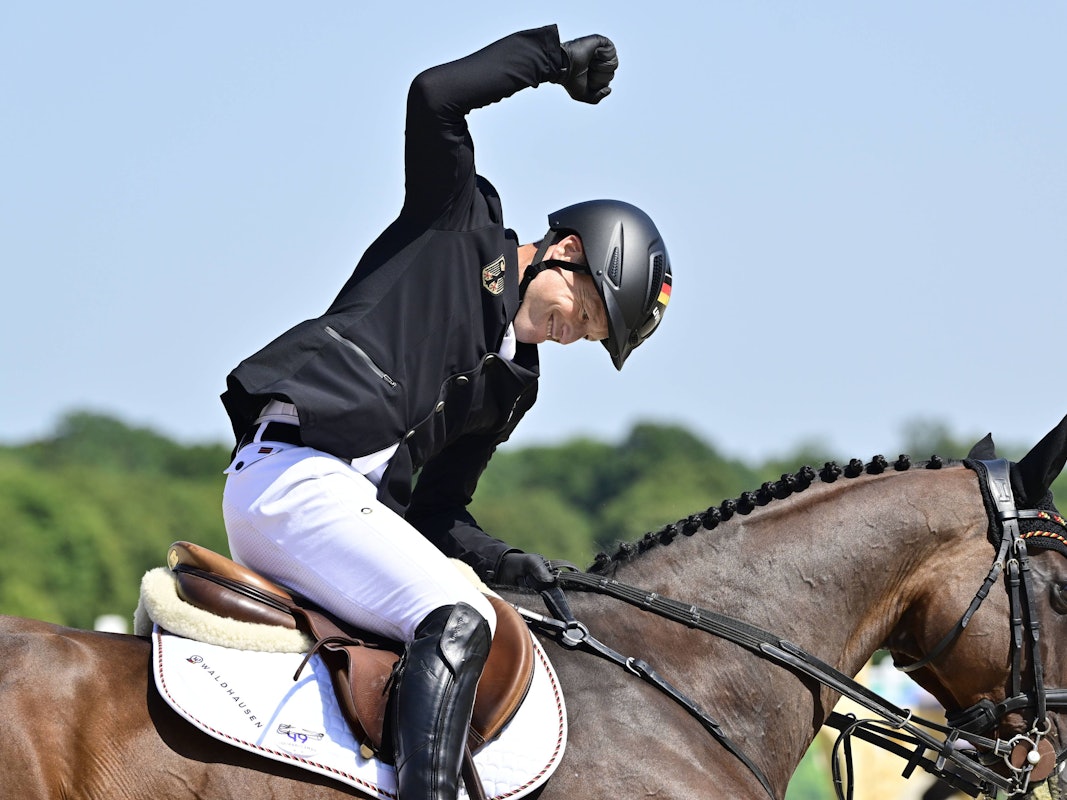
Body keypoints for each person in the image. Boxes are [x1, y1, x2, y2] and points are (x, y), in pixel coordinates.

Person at [219, 25, 672, 800]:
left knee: (477, 603)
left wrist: (512, 563)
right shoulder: (458, 225)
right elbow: (434, 96)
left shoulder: (513, 385)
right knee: (462, 618)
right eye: (588, 307)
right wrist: (552, 61)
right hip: (296, 473)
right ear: (565, 250)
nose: (576, 331)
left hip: (340, 507)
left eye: (594, 333)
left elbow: (436, 511)